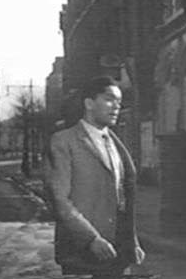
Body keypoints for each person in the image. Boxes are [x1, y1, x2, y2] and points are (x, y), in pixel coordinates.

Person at [44, 75, 145, 279]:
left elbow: (122, 197)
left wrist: (132, 241)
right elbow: (60, 200)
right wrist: (91, 239)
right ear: (89, 103)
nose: (116, 106)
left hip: (118, 250)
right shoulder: (64, 141)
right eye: (109, 99)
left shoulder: (116, 144)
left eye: (119, 101)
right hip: (83, 251)